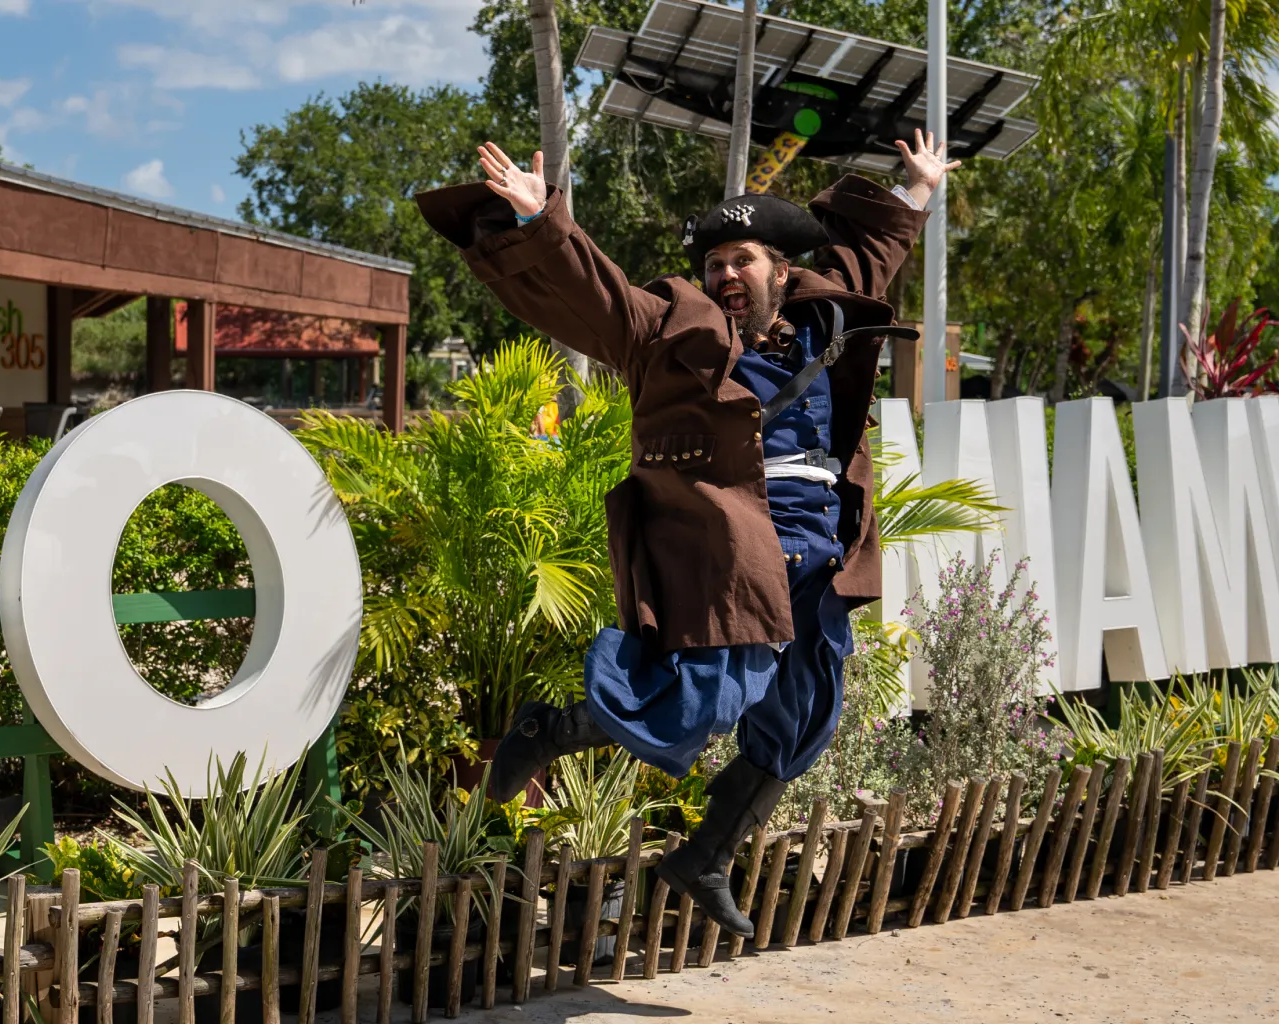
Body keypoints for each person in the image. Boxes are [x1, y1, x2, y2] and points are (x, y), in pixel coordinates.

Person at [411, 130, 959, 939]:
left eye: (742, 260)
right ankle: (547, 729)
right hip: (734, 556)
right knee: (704, 702)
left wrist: (916, 192)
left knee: (805, 715)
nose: (726, 275)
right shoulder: (669, 328)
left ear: (781, 268)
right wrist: (541, 224)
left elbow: (871, 258)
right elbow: (594, 295)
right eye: (715, 264)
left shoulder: (824, 316)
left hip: (820, 559)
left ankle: (703, 858)